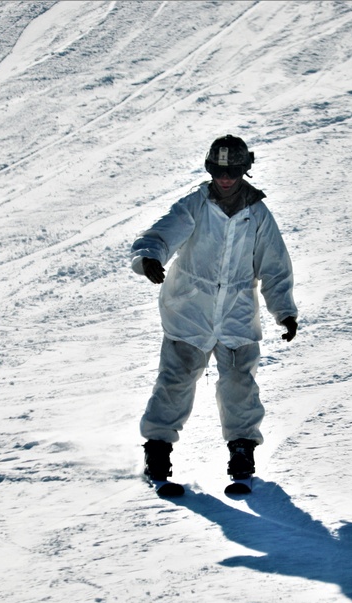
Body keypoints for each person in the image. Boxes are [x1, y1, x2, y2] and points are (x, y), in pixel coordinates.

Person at [130, 134, 298, 497]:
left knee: (239, 385)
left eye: (233, 170)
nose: (225, 177)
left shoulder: (258, 215)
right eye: (218, 170)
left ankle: (242, 456)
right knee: (175, 381)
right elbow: (162, 234)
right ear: (209, 170)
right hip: (190, 310)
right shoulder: (196, 205)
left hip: (237, 314)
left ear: (244, 170)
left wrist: (284, 311)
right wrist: (150, 259)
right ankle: (157, 453)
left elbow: (274, 266)